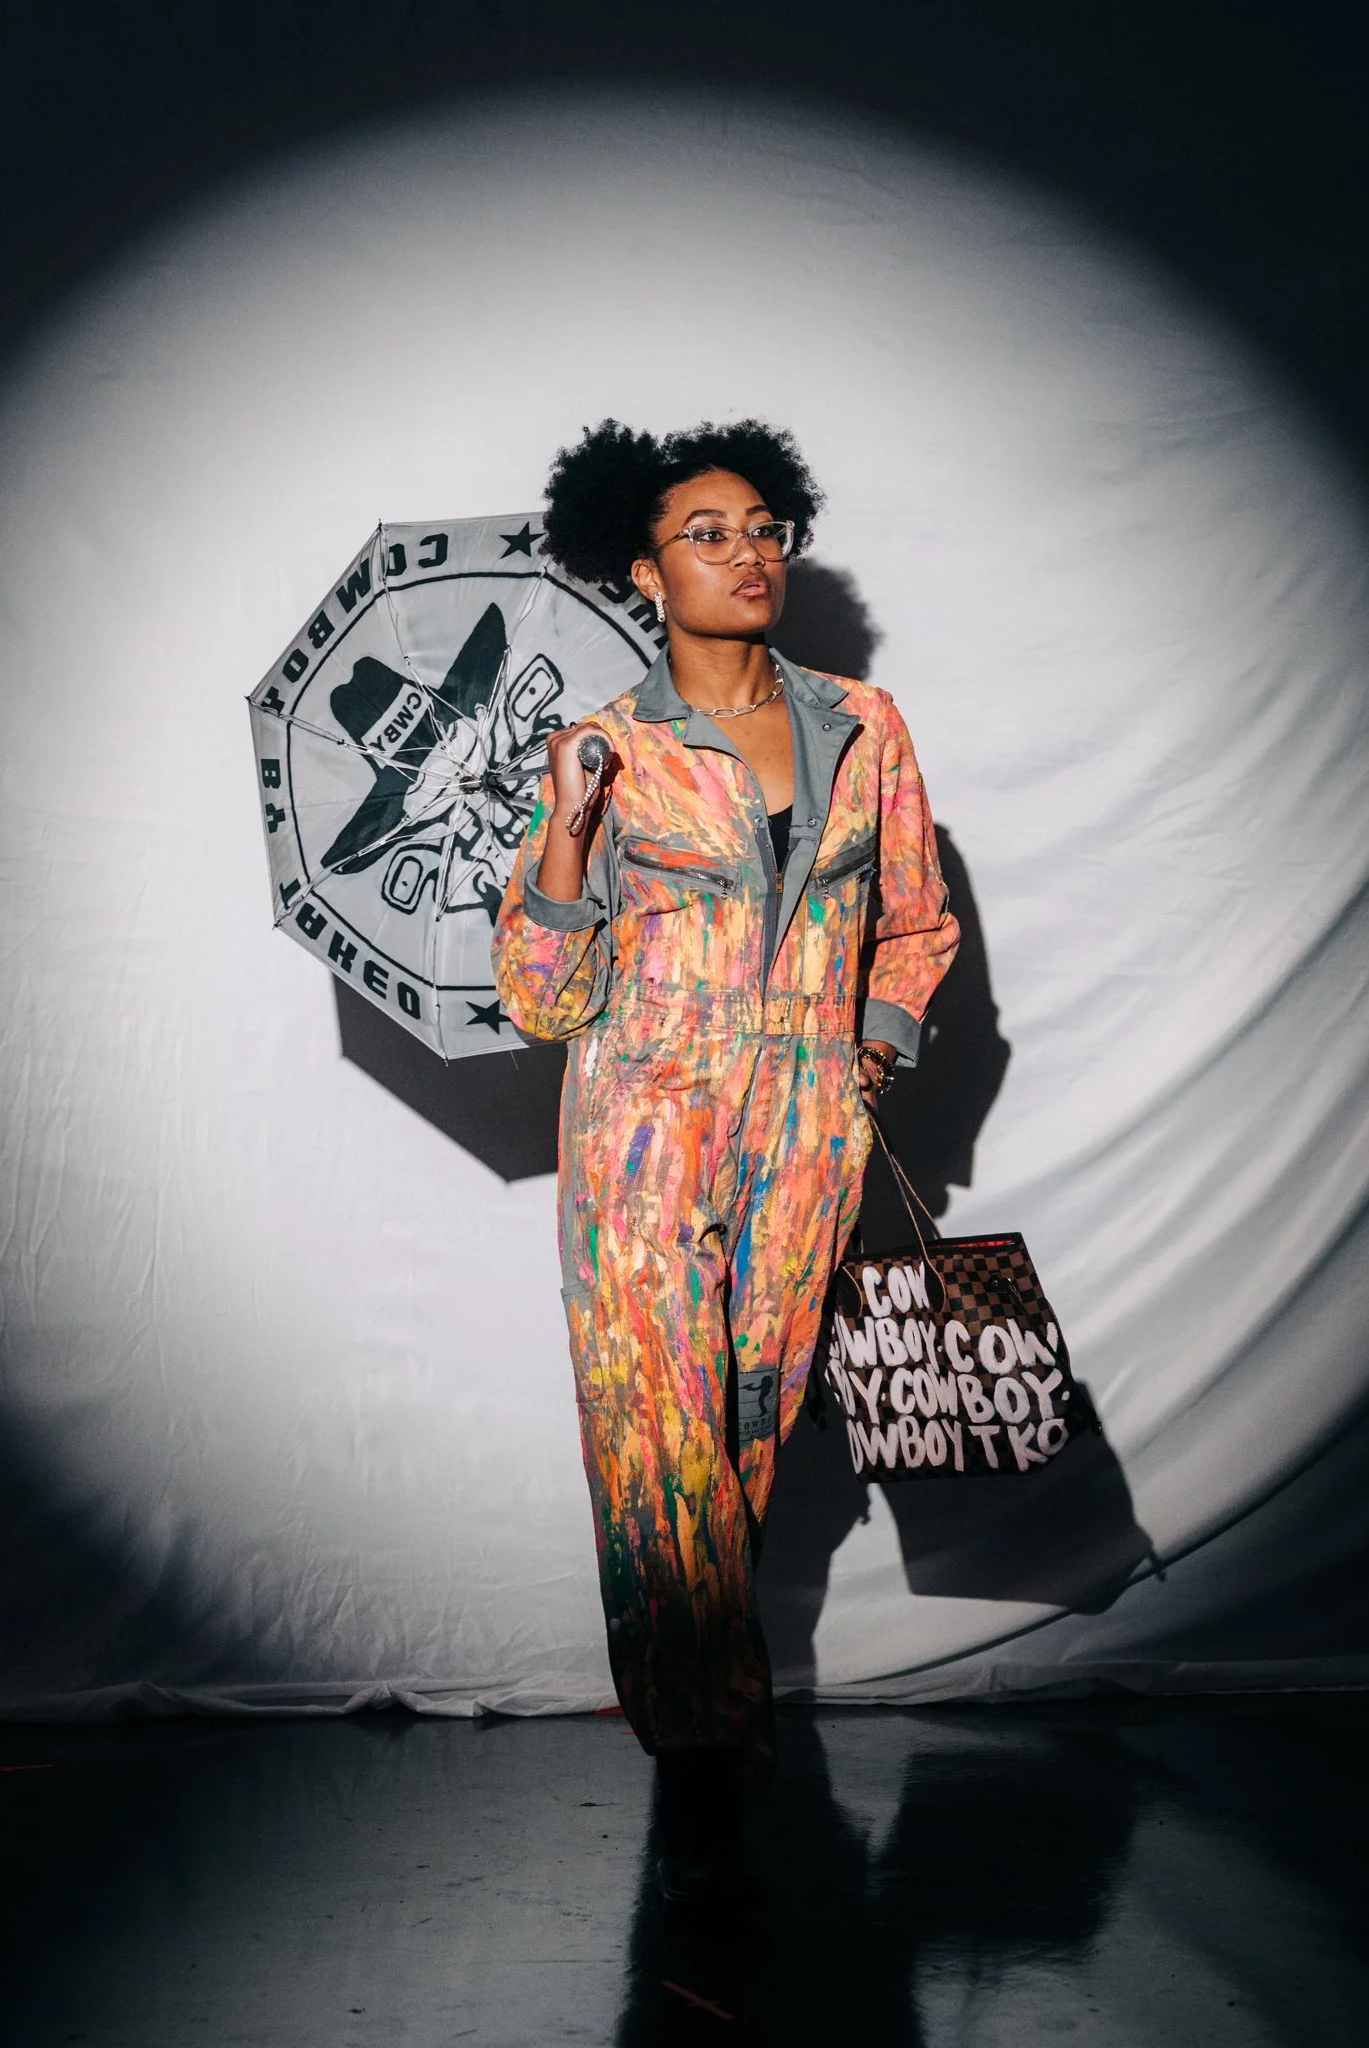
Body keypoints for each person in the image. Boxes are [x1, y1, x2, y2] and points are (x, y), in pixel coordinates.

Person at [492, 419, 959, 1911]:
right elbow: (543, 1000)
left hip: (807, 1133)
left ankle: (703, 1707)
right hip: (640, 1129)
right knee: (656, 1437)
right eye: (710, 534)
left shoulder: (863, 726)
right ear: (642, 570)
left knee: (748, 1426)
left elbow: (918, 918)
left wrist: (868, 1050)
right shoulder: (606, 750)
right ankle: (703, 1747)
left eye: (766, 527)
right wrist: (567, 828)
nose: (749, 553)